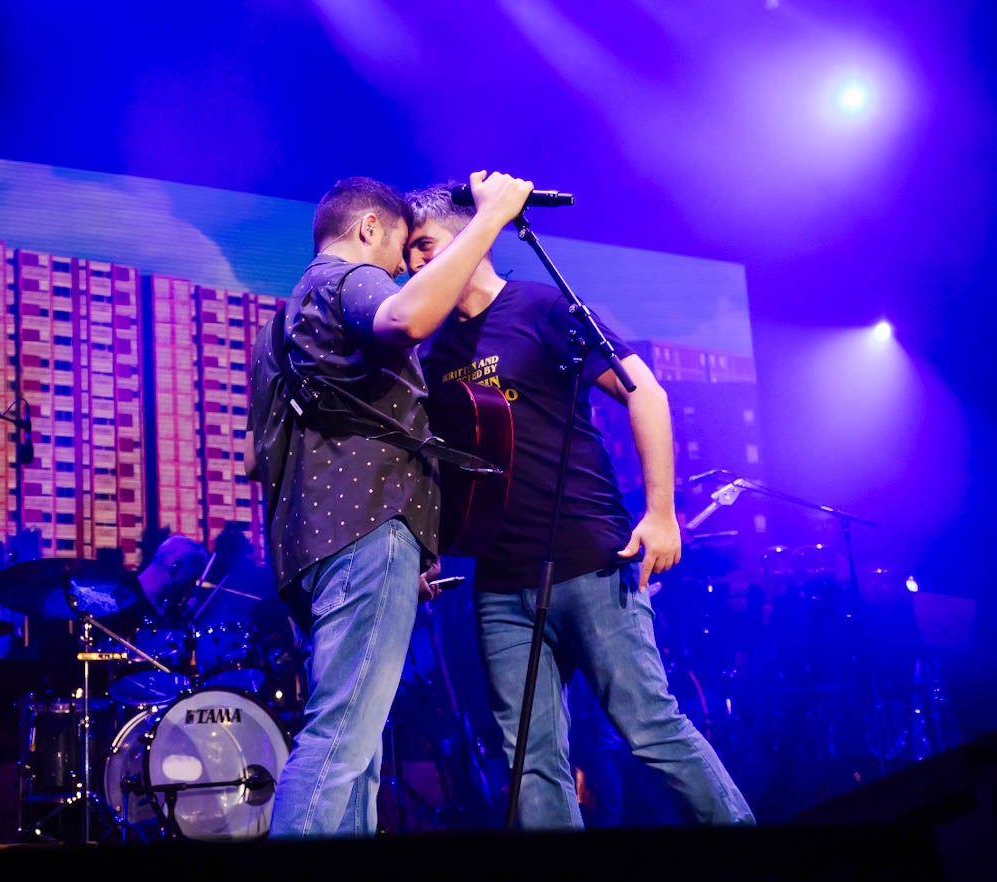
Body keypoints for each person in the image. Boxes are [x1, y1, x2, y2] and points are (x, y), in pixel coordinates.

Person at [405, 183, 756, 828]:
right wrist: (427, 549)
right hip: (502, 585)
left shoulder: (541, 308)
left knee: (650, 730)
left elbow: (645, 392)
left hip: (592, 561)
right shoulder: (431, 354)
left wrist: (660, 512)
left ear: (472, 235)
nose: (414, 266)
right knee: (529, 762)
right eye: (407, 257)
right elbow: (437, 469)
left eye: (425, 246)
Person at [244, 171, 534, 837]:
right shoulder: (345, 279)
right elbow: (406, 318)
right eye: (401, 253)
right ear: (369, 229)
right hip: (366, 530)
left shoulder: (278, 325)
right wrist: (489, 218)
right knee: (342, 740)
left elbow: (254, 459)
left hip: (312, 543)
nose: (405, 269)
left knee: (359, 749)